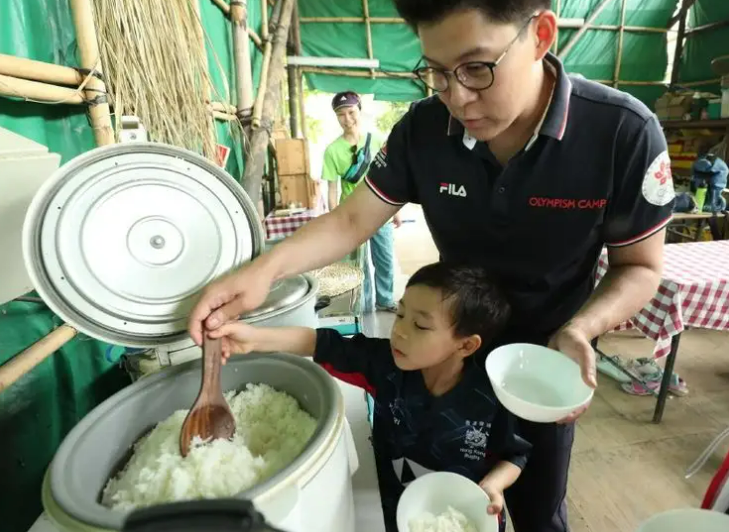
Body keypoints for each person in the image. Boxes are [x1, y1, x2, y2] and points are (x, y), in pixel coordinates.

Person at [189, 2, 675, 531]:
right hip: (443, 348)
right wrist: (263, 272)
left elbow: (641, 267)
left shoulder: (621, 133)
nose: (457, 97)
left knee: (536, 510)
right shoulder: (423, 129)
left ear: (540, 35)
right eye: (437, 73)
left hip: (542, 371)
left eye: (476, 68)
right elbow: (353, 221)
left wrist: (581, 328)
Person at [208, 262, 530, 532]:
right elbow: (320, 343)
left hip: (466, 517)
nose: (400, 331)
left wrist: (494, 486)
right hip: (396, 507)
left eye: (420, 325)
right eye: (400, 315)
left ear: (466, 345)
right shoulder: (387, 367)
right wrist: (253, 339)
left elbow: (514, 456)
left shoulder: (490, 396)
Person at [322, 91, 400, 313]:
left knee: (384, 259)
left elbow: (391, 177)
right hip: (351, 215)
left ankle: (385, 300)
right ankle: (363, 305)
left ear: (360, 111)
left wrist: (396, 210)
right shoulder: (332, 151)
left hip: (381, 211)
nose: (347, 119)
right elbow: (332, 188)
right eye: (341, 115)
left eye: (351, 112)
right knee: (359, 264)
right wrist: (334, 219)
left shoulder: (377, 141)